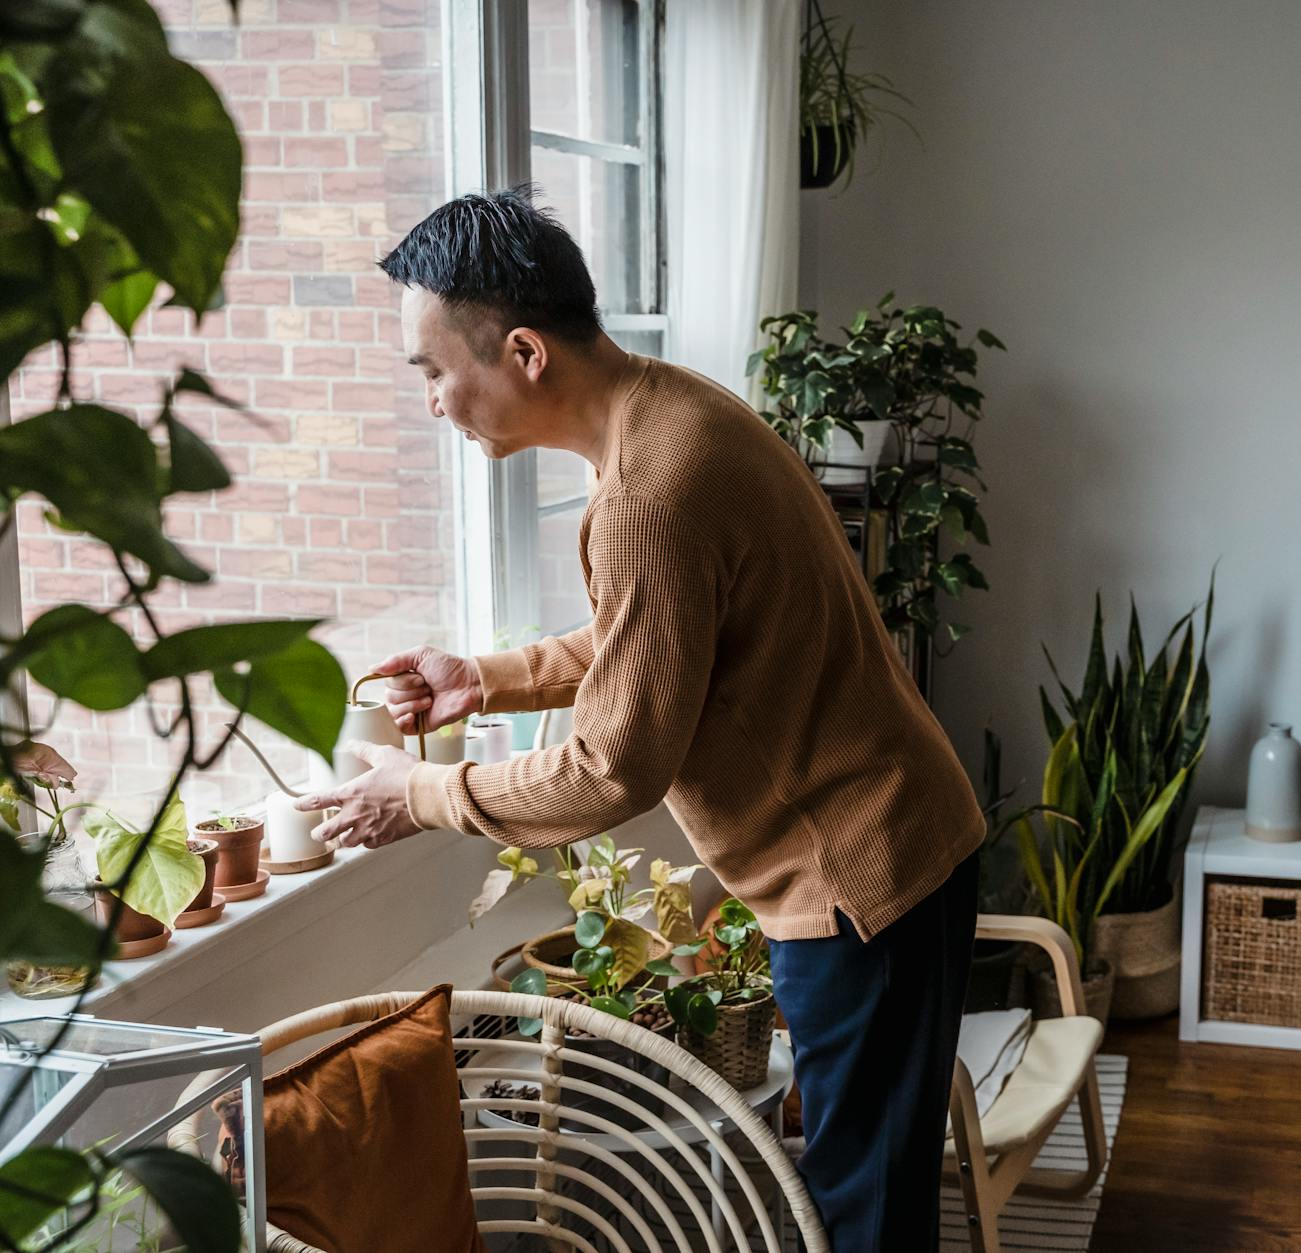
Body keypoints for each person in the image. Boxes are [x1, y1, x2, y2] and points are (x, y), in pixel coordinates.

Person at [298, 187, 984, 1250]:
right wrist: (484, 679)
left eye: (433, 370)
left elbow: (612, 766)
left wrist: (420, 792)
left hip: (858, 881)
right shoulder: (670, 412)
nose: (432, 401)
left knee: (865, 1217)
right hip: (893, 848)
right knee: (867, 1192)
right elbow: (660, 644)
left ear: (523, 352)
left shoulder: (645, 494)